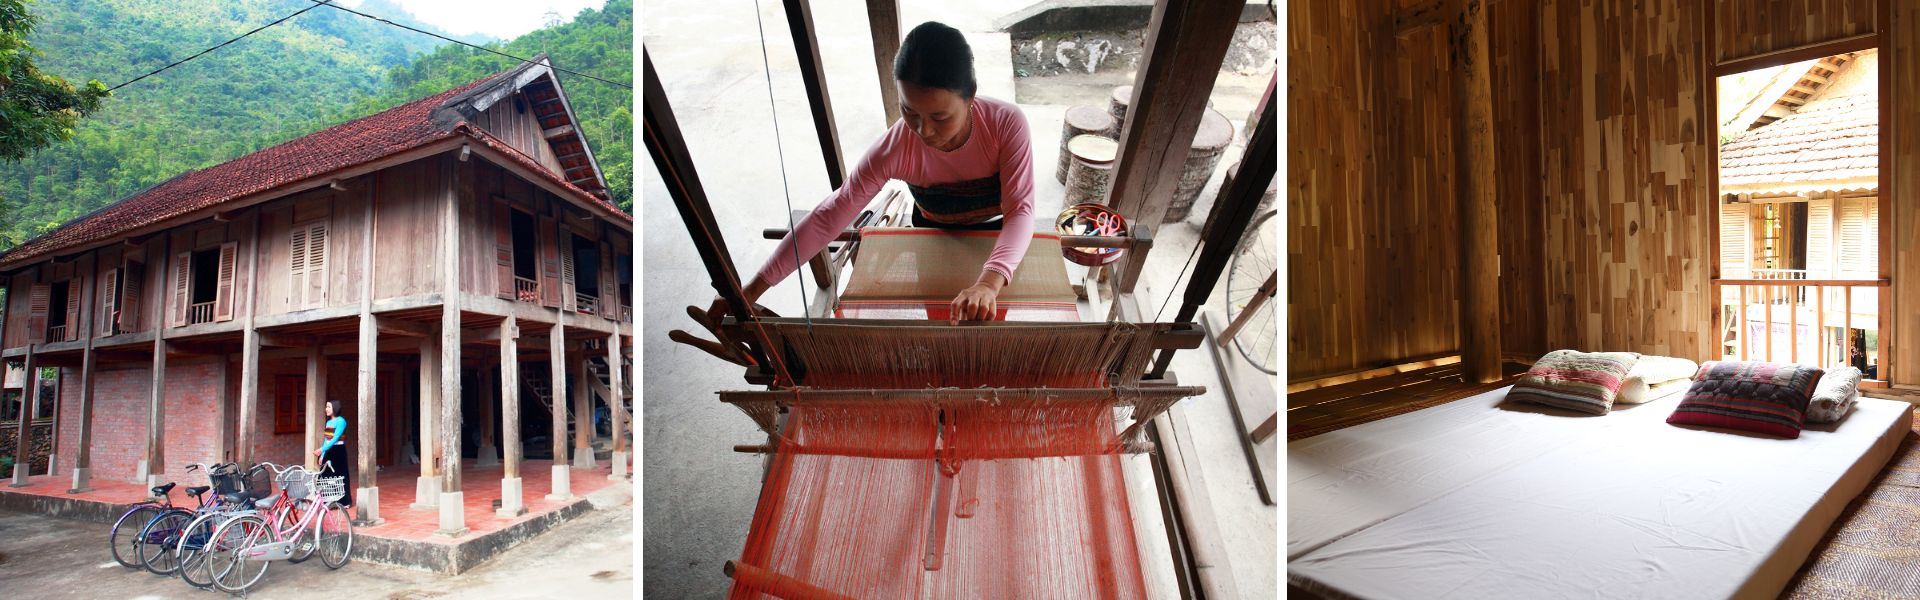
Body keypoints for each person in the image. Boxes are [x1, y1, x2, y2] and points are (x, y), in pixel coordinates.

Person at [709, 21, 1036, 325]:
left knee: (989, 322)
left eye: (940, 117)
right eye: (908, 111)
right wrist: (750, 291)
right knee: (944, 324)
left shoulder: (1005, 124)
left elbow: (1020, 211)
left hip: (999, 235)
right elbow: (830, 215)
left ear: (971, 97)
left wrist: (989, 283)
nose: (924, 131)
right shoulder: (896, 147)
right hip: (933, 236)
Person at [312, 399, 352, 508]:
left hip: (338, 451)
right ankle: (327, 501)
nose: (326, 409)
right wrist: (323, 454)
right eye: (326, 407)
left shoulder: (341, 421)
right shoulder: (328, 422)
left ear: (335, 408)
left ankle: (345, 502)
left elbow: (335, 438)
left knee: (340, 475)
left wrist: (321, 449)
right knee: (325, 476)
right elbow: (327, 439)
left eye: (328, 407)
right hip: (328, 450)